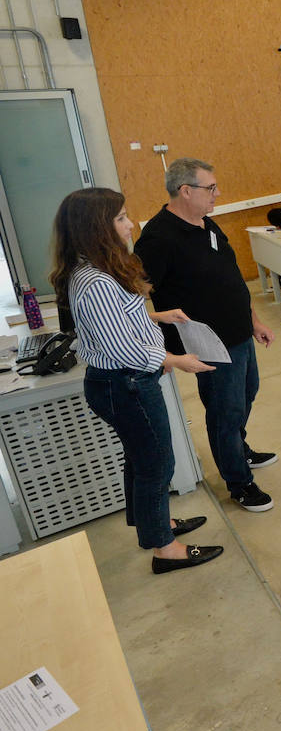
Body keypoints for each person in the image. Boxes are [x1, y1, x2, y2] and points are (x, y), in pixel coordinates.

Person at [54, 188, 222, 573]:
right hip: (125, 383)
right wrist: (176, 359)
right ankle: (165, 549)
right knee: (156, 463)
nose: (131, 225)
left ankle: (155, 525)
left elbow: (120, 325)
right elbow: (123, 348)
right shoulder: (94, 282)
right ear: (95, 227)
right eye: (120, 218)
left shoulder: (99, 269)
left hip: (124, 382)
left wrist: (158, 318)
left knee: (143, 457)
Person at [134, 158, 276, 512]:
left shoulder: (206, 223)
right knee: (223, 411)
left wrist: (254, 320)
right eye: (210, 188)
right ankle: (238, 482)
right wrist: (157, 346)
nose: (218, 193)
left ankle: (237, 449)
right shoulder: (158, 237)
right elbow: (136, 293)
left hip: (239, 331)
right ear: (185, 191)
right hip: (206, 343)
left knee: (246, 395)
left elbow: (230, 277)